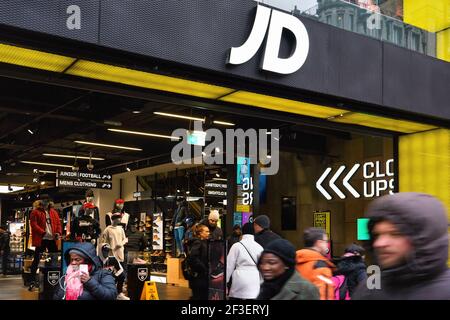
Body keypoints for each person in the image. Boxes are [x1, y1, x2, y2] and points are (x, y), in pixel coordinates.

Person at [353, 193, 450, 300]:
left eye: (395, 234)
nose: (380, 243)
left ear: (425, 238)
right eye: (377, 235)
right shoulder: (368, 289)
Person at [29, 199, 62, 289]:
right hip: (42, 239)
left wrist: (58, 233)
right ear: (40, 202)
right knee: (37, 259)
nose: (45, 203)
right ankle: (32, 279)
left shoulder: (53, 212)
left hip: (52, 239)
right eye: (44, 201)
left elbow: (58, 224)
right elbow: (33, 224)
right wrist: (42, 232)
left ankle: (53, 279)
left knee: (54, 259)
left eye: (47, 201)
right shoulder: (35, 212)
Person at [295, 227, 335, 300]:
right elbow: (324, 296)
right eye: (326, 241)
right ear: (319, 243)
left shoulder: (294, 262)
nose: (327, 244)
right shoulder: (321, 267)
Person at [226, 222, 263, 300]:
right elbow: (262, 267)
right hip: (254, 280)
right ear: (254, 232)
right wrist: (261, 282)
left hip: (239, 279)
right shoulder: (259, 247)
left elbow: (229, 266)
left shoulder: (236, 246)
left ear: (243, 232)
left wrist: (225, 282)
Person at [98, 212, 128, 300]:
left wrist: (120, 244)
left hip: (120, 254)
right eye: (118, 218)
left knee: (121, 275)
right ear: (114, 219)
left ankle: (119, 293)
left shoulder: (121, 229)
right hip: (112, 256)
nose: (120, 219)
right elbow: (103, 243)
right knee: (113, 275)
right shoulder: (107, 229)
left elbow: (125, 239)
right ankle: (112, 292)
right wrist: (109, 248)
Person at [185, 223, 210, 300]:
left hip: (200, 276)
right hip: (199, 277)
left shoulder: (204, 242)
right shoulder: (198, 243)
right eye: (206, 231)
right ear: (200, 233)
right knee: (199, 296)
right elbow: (193, 258)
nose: (209, 233)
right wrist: (203, 268)